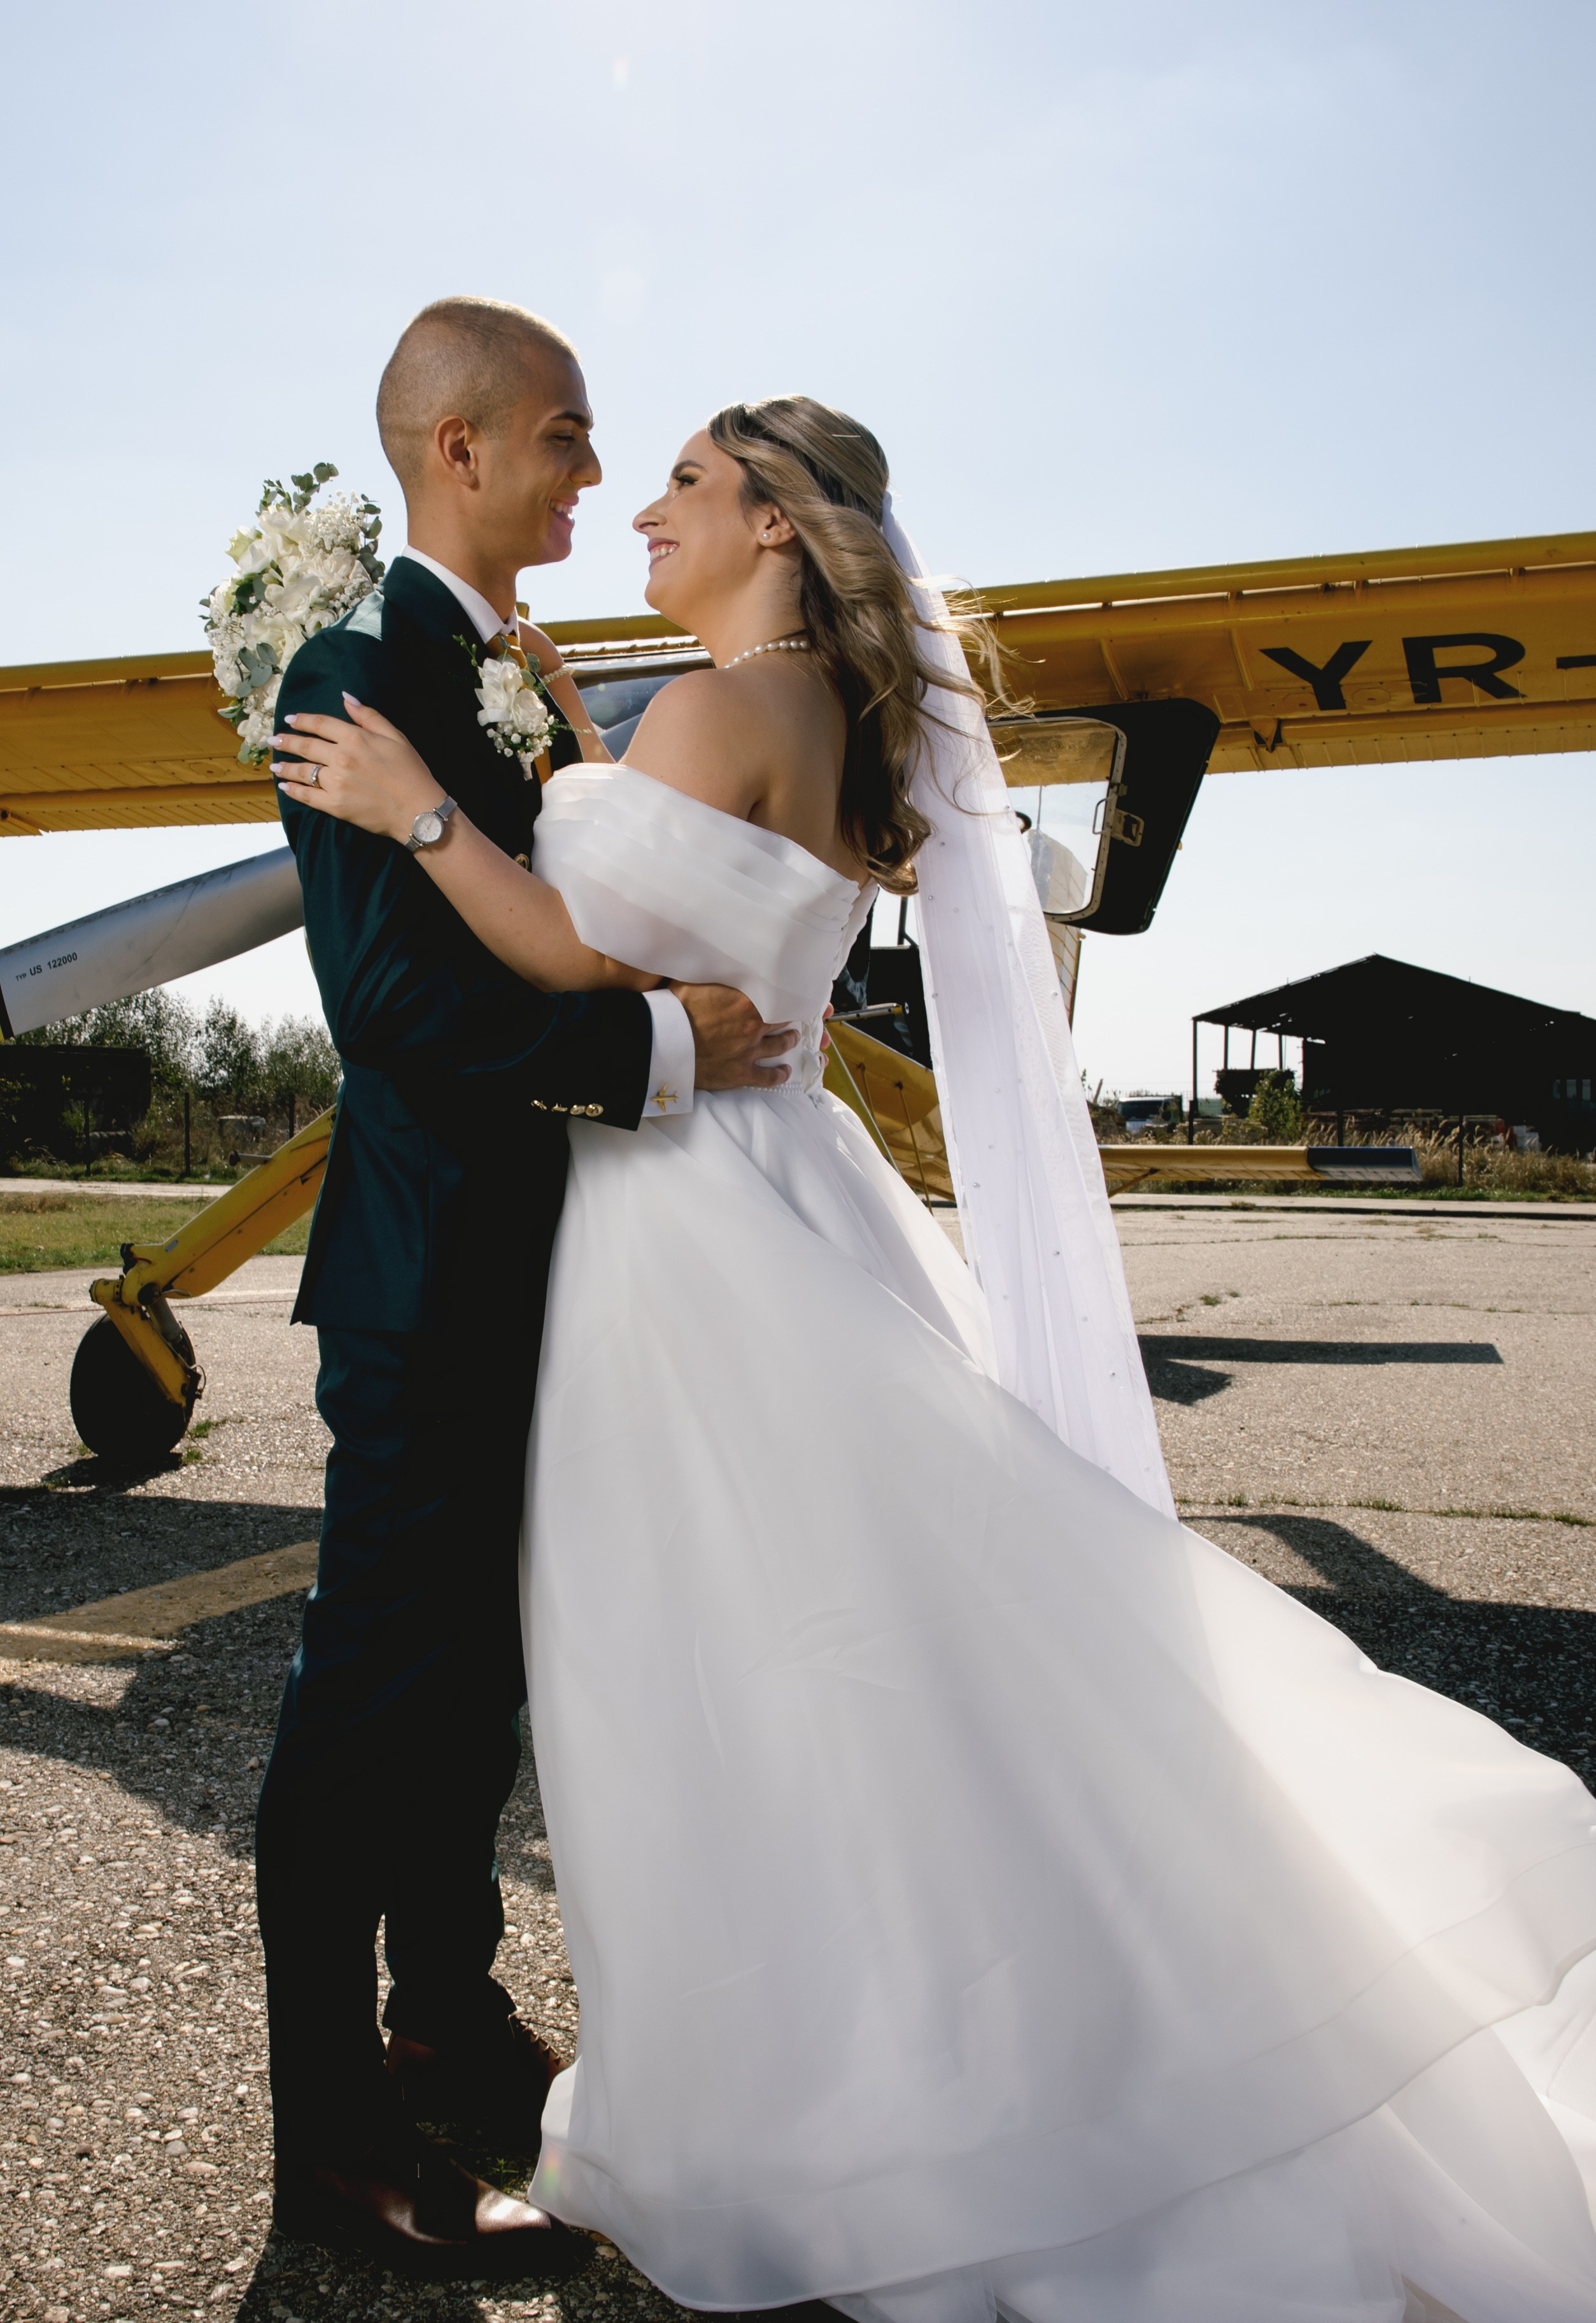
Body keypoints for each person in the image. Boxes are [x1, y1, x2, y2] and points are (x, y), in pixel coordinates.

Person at [276, 396, 1596, 2322]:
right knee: (849, 1644)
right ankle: (905, 2058)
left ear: (781, 532)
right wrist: (566, 735)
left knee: (727, 1659)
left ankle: (808, 2079)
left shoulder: (721, 712)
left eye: (686, 487)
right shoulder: (793, 710)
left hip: (684, 1221)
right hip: (780, 1197)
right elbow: (685, 877)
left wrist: (409, 804)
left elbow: (578, 943)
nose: (641, 502)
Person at [257, 298, 796, 2282]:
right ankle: (332, 2145)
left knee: (481, 1682)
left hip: (560, 1268)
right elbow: (392, 1013)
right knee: (368, 1703)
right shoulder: (349, 671)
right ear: (459, 447)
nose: (595, 470)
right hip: (427, 1276)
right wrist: (656, 1059)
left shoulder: (510, 671)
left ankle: (448, 2016)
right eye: (568, 436)